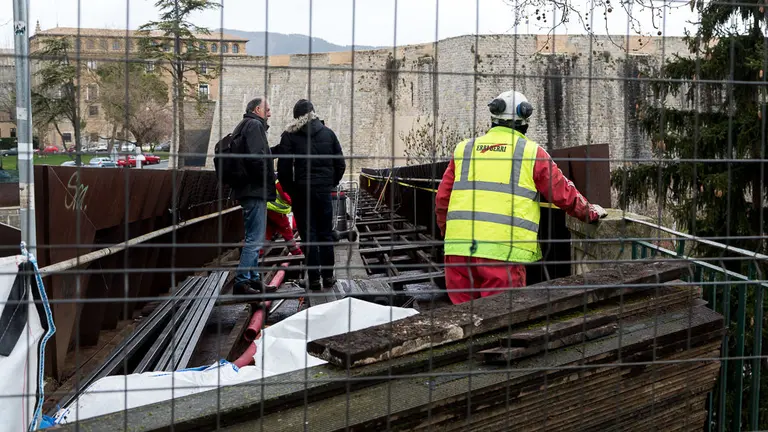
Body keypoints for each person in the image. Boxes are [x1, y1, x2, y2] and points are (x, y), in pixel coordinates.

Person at [435, 90, 608, 305]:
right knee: (501, 320)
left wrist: (448, 232)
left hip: (458, 251)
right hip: (502, 253)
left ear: (494, 119)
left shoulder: (464, 149)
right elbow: (562, 192)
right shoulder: (530, 152)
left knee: (462, 321)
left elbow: (443, 199)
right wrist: (589, 212)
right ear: (525, 120)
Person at [274, 99, 346, 291]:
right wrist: (330, 183)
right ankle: (329, 278)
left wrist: (292, 190)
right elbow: (340, 164)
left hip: (301, 193)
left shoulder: (290, 136)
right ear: (313, 113)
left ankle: (313, 279)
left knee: (309, 237)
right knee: (325, 235)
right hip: (323, 193)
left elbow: (283, 169)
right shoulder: (329, 134)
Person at [231, 97, 276, 296]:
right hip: (254, 189)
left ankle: (254, 280)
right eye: (267, 109)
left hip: (247, 189)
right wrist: (268, 179)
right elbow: (257, 159)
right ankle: (241, 282)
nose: (270, 113)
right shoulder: (254, 125)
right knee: (254, 239)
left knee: (253, 237)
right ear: (257, 109)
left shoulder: (244, 125)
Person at [261, 178, 303, 257]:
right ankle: (296, 252)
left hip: (268, 209)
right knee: (286, 230)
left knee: (267, 232)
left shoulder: (277, 182)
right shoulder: (281, 183)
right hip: (276, 210)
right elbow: (287, 198)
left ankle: (259, 252)